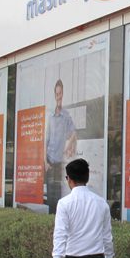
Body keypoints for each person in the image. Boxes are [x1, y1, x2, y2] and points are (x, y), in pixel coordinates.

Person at [45, 79, 77, 213]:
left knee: (57, 195)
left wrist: (68, 146)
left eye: (60, 93)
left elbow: (74, 133)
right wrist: (45, 161)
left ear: (63, 94)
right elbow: (45, 141)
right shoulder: (50, 116)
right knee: (49, 194)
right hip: (49, 160)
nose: (59, 96)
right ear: (55, 95)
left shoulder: (66, 116)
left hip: (58, 162)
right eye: (57, 94)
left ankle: (55, 221)